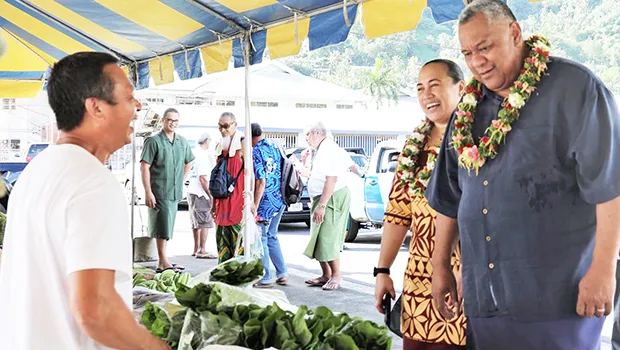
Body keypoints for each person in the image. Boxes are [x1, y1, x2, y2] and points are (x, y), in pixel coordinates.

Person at [425, 1, 620, 349]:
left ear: (515, 33)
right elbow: (451, 198)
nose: (476, 62)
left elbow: (610, 185)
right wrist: (440, 264)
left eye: (484, 47)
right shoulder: (467, 109)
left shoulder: (575, 88)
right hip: (484, 296)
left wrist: (603, 269)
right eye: (467, 53)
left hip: (558, 297)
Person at [0, 52, 169, 349]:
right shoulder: (93, 181)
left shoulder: (34, 172)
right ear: (96, 108)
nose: (138, 106)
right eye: (129, 97)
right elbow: (95, 310)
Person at [374, 59, 467, 349]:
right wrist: (383, 271)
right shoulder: (414, 147)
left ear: (461, 88)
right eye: (420, 88)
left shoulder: (477, 141)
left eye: (435, 86)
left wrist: (472, 268)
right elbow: (398, 213)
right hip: (418, 279)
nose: (426, 95)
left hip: (463, 277)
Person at [303, 122, 364, 291]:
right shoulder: (322, 149)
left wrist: (322, 205)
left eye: (307, 135)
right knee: (317, 236)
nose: (306, 139)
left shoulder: (329, 149)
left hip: (331, 197)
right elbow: (352, 165)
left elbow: (331, 180)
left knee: (327, 236)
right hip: (321, 197)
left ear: (315, 133)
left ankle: (336, 275)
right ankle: (326, 274)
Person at [141, 108, 194, 273]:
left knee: (168, 226)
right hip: (158, 190)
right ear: (163, 121)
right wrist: (148, 191)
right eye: (170, 120)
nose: (173, 123)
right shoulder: (153, 141)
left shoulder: (182, 141)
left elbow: (189, 162)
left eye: (176, 120)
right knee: (161, 225)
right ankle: (162, 261)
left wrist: (181, 180)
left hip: (174, 192)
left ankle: (163, 260)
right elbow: (145, 167)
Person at [250, 122, 289, 288]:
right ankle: (282, 273)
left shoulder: (256, 151)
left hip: (265, 201)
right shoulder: (276, 145)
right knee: (272, 236)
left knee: (262, 238)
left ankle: (265, 276)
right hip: (280, 198)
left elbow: (261, 181)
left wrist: (255, 205)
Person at [213, 112, 246, 263]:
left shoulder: (243, 143)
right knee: (222, 247)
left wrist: (252, 203)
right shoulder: (220, 145)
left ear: (235, 124)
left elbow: (252, 175)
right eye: (220, 126)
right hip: (222, 204)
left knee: (239, 247)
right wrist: (213, 204)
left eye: (226, 126)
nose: (223, 130)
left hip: (239, 203)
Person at [187, 132, 217, 259]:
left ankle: (196, 248)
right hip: (200, 192)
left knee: (195, 222)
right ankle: (202, 249)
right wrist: (210, 194)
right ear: (207, 141)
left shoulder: (194, 152)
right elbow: (203, 178)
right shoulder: (203, 156)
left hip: (191, 190)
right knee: (204, 222)